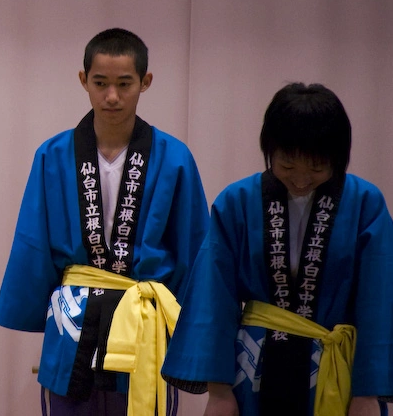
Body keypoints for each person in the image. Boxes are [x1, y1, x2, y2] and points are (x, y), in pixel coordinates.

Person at [0, 28, 210, 416]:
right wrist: (31, 307)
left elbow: (194, 248)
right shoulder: (54, 154)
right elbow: (34, 240)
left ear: (145, 82)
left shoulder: (175, 158)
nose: (112, 96)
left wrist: (193, 330)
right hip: (74, 318)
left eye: (124, 84)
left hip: (144, 318)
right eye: (101, 83)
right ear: (84, 81)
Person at [162, 82, 393, 416]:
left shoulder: (365, 205)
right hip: (253, 368)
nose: (300, 179)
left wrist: (368, 394)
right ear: (270, 151)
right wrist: (219, 391)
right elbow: (213, 299)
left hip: (334, 373)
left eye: (316, 167)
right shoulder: (236, 202)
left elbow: (379, 302)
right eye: (287, 165)